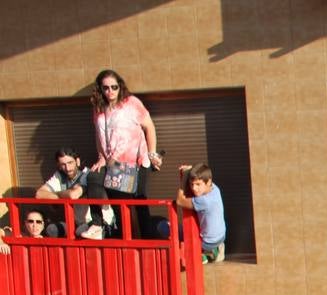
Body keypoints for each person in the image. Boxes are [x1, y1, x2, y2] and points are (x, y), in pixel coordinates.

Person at [88, 69, 163, 239]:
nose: (110, 91)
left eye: (114, 87)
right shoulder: (99, 108)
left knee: (139, 202)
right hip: (112, 164)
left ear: (120, 86)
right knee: (118, 205)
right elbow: (98, 134)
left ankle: (148, 241)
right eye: (105, 88)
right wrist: (101, 156)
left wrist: (152, 154)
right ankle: (120, 237)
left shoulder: (131, 103)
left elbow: (149, 127)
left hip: (135, 162)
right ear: (100, 89)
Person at [34, 148, 110, 237]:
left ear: (77, 161)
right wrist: (63, 194)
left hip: (98, 223)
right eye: (63, 164)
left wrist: (56, 194)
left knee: (80, 232)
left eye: (70, 163)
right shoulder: (59, 175)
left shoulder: (87, 174)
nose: (67, 168)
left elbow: (73, 195)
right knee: (52, 230)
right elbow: (39, 194)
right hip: (76, 223)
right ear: (59, 165)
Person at [176, 163, 226, 263]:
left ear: (208, 182)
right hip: (221, 236)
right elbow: (203, 174)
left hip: (207, 242)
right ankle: (213, 250)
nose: (194, 188)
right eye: (191, 184)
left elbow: (179, 201)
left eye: (198, 184)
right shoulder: (215, 189)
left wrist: (183, 179)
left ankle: (205, 254)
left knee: (165, 227)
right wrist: (189, 171)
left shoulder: (205, 201)